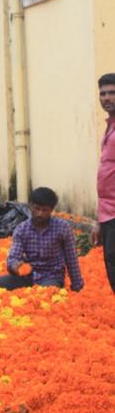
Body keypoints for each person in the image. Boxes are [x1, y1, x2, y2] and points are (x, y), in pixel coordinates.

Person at [0, 187, 84, 292]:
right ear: (30, 206)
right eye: (37, 209)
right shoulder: (22, 229)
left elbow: (72, 259)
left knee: (43, 295)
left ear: (51, 210)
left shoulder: (62, 228)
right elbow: (14, 256)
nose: (40, 214)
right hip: (26, 276)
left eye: (45, 210)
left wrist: (77, 286)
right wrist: (14, 267)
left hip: (51, 276)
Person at [91, 73, 115, 292]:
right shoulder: (110, 127)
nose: (107, 98)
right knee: (111, 262)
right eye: (103, 93)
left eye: (112, 93)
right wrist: (99, 220)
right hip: (109, 213)